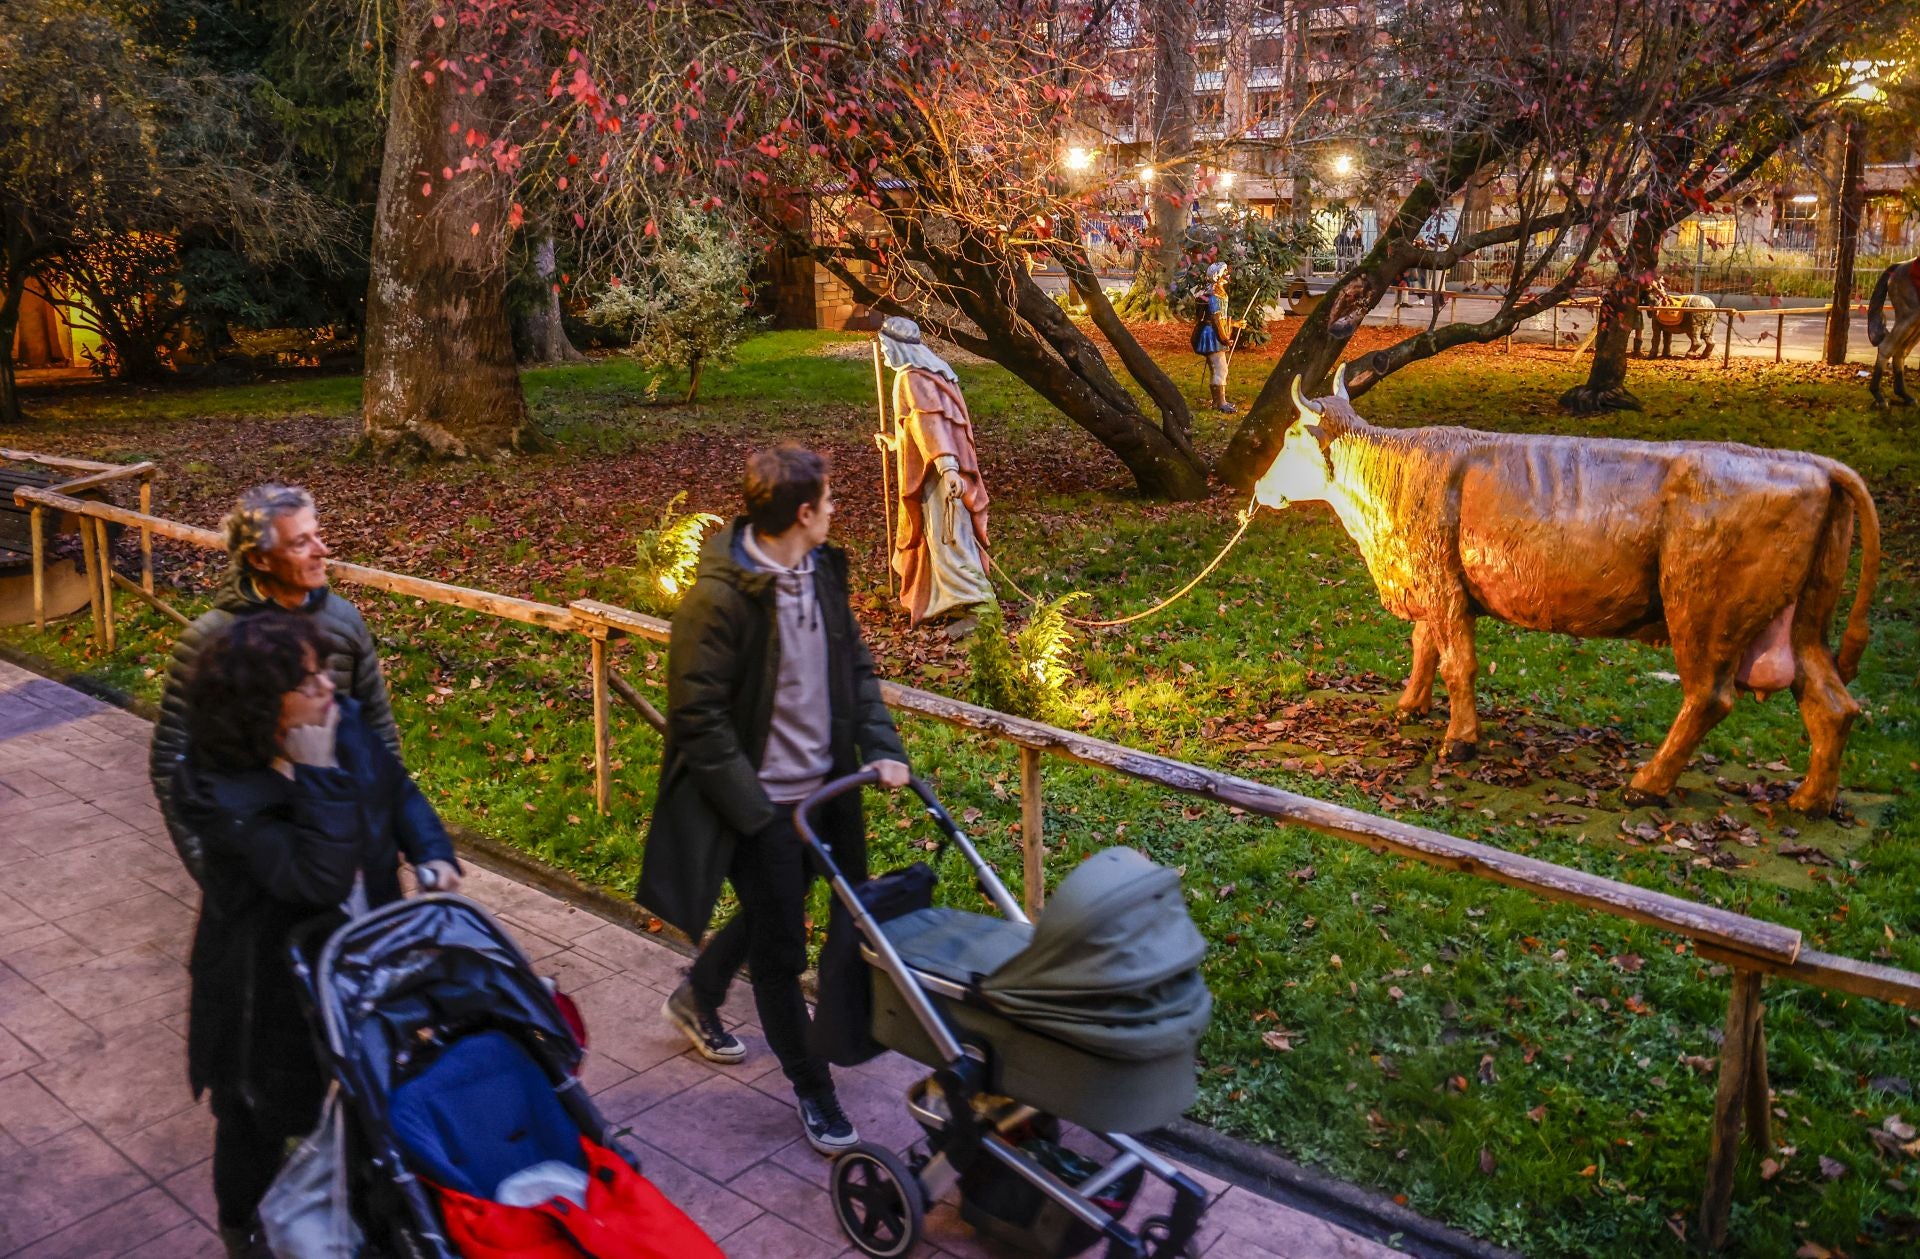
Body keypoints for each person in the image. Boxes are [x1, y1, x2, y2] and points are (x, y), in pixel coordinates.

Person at [637, 444, 911, 1154]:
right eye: (829, 500)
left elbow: (853, 665)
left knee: (782, 914)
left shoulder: (819, 570)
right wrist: (758, 817)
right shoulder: (719, 599)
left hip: (828, 789)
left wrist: (883, 746)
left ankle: (699, 990)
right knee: (782, 949)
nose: (835, 510)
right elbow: (699, 720)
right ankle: (812, 1088)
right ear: (801, 513)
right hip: (759, 806)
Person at [174, 613, 460, 1258]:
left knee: (371, 1094)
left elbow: (397, 790)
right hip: (267, 987)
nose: (328, 686)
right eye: (307, 681)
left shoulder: (339, 717)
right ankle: (243, 1228)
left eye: (321, 670)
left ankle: (364, 1216)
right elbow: (316, 879)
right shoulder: (216, 789)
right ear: (259, 707)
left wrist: (431, 849)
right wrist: (320, 769)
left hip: (360, 953)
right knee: (260, 1119)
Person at [152, 483, 401, 886]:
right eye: (302, 542)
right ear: (260, 559)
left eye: (318, 534)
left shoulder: (344, 621)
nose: (323, 550)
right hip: (259, 871)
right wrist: (217, 872)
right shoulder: (209, 641)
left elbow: (379, 733)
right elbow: (171, 762)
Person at [876, 316, 994, 635]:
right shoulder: (937, 371)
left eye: (886, 346)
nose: (884, 353)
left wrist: (948, 469)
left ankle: (978, 605)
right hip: (941, 471)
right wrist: (896, 442)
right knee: (944, 537)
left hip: (939, 477)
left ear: (898, 347)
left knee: (947, 538)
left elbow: (932, 427)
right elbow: (918, 428)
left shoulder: (912, 377)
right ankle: (942, 602)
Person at [1190, 261, 1244, 413]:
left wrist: (1235, 323)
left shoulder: (1217, 292)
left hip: (1212, 332)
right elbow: (1216, 318)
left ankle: (1218, 401)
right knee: (1220, 368)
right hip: (1212, 334)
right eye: (1225, 272)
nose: (1228, 275)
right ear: (1218, 276)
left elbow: (1221, 318)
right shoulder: (1215, 295)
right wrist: (1224, 338)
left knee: (1217, 368)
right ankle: (1220, 402)